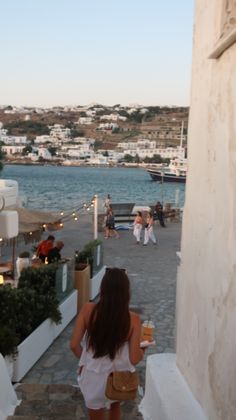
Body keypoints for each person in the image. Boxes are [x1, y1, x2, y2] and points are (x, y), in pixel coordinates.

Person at [70, 268, 145, 420]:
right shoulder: (133, 319)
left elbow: (73, 345)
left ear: (103, 288)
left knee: (95, 414)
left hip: (93, 376)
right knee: (115, 406)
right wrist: (144, 348)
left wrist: (86, 361)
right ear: (126, 291)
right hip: (118, 377)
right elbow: (134, 359)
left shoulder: (87, 310)